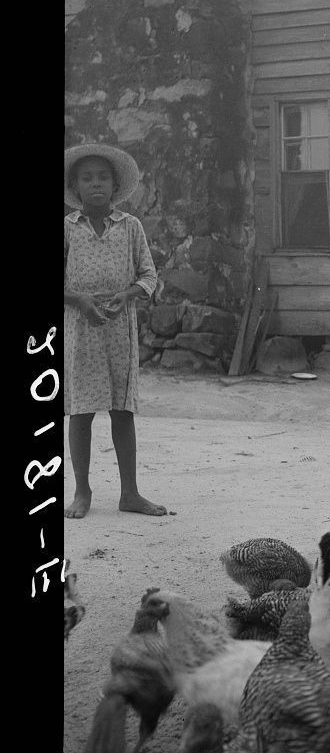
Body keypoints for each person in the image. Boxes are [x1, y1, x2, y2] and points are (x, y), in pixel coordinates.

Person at [63, 142, 166, 519]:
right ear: (75, 187)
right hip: (81, 327)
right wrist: (78, 301)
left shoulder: (130, 227)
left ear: (114, 184)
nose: (96, 185)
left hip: (119, 326)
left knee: (122, 411)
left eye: (103, 177)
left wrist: (127, 295)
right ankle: (81, 492)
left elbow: (149, 275)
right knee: (82, 411)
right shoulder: (68, 229)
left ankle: (130, 493)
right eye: (87, 178)